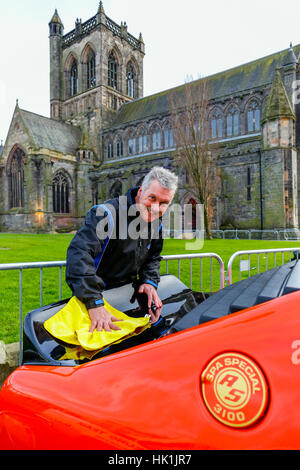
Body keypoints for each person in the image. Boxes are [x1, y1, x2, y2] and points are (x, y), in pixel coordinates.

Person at [66, 166, 178, 333]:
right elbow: (79, 256)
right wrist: (93, 302)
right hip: (96, 298)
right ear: (141, 191)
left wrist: (149, 281)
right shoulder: (106, 214)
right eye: (152, 198)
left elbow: (152, 257)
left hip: (129, 300)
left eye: (163, 203)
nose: (156, 208)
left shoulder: (156, 222)